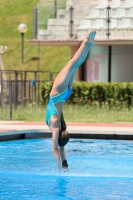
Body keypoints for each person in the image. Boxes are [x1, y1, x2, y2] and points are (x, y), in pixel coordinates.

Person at [46, 29, 96, 171]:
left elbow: (61, 147)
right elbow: (56, 149)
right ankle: (86, 42)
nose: (53, 139)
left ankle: (89, 44)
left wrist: (65, 165)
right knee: (71, 64)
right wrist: (59, 168)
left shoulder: (61, 125)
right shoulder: (55, 124)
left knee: (75, 65)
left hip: (66, 94)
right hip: (57, 94)